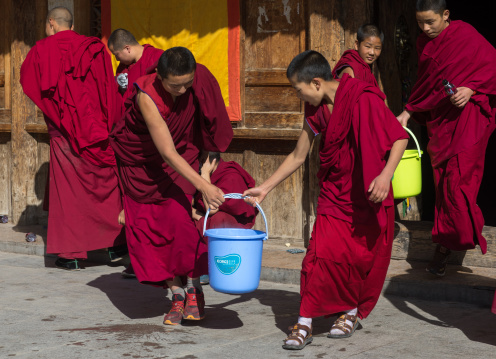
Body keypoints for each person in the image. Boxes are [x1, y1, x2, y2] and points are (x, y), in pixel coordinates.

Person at [244, 50, 408, 350]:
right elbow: (298, 155)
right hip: (335, 193)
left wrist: (385, 176)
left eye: (299, 90)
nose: (299, 97)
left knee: (357, 258)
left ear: (316, 83)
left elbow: (399, 137)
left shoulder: (363, 98)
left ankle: (349, 311)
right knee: (317, 257)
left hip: (368, 191)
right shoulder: (316, 110)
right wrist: (265, 188)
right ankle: (304, 322)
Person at [109, 47, 233, 326]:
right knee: (151, 232)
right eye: (175, 85)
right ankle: (175, 293)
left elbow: (210, 119)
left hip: (182, 158)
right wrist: (204, 186)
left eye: (188, 84)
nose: (183, 90)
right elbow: (166, 152)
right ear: (159, 77)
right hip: (143, 167)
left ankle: (192, 288)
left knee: (180, 224)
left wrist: (205, 167)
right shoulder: (146, 96)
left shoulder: (197, 78)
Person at [396, 0, 496, 276]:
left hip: (468, 122)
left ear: (446, 15)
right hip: (441, 124)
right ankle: (446, 244)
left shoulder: (465, 35)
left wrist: (471, 88)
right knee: (444, 186)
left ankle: (453, 241)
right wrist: (408, 112)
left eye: (430, 22)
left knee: (458, 186)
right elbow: (427, 83)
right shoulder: (424, 43)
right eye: (420, 22)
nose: (425, 28)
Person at [20, 6, 125, 270]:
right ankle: (115, 246)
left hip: (65, 131)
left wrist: (54, 111)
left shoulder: (40, 51)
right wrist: (111, 125)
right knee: (106, 184)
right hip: (97, 129)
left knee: (69, 192)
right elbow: (109, 90)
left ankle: (72, 254)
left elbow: (28, 82)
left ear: (52, 23)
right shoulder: (95, 48)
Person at [107, 28, 164, 277]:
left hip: (159, 143)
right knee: (135, 202)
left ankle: (166, 258)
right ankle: (139, 258)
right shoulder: (124, 71)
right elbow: (124, 102)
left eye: (118, 55)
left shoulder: (160, 59)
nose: (118, 61)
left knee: (160, 204)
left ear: (128, 49)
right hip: (133, 145)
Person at [192, 151, 258, 285]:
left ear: (210, 162)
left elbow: (212, 208)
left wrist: (205, 175)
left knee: (218, 217)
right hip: (207, 217)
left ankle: (211, 267)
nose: (198, 166)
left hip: (231, 225)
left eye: (201, 162)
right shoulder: (203, 174)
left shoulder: (230, 175)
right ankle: (193, 267)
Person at [107, 28, 164, 110]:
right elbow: (122, 97)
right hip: (129, 117)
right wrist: (121, 88)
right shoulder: (123, 66)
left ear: (127, 48)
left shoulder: (157, 57)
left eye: (116, 54)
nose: (117, 59)